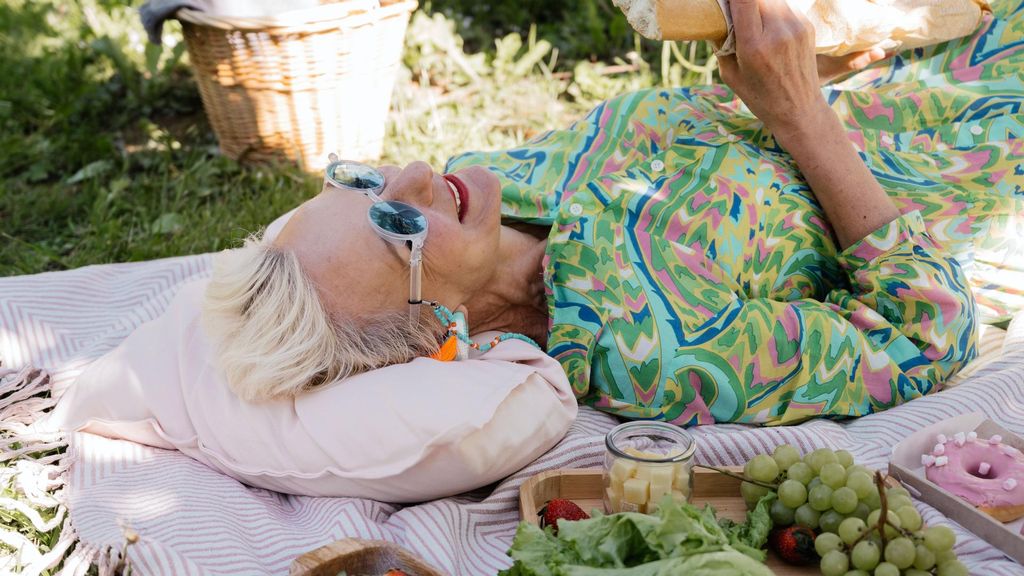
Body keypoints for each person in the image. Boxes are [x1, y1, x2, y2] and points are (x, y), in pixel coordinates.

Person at [203, 0, 1024, 425]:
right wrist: (803, 113)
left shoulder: (505, 188)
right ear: (435, 334)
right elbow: (924, 331)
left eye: (359, 182)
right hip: (980, 177)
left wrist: (813, 64)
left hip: (915, 82)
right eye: (398, 230)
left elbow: (716, 136)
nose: (414, 174)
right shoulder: (649, 350)